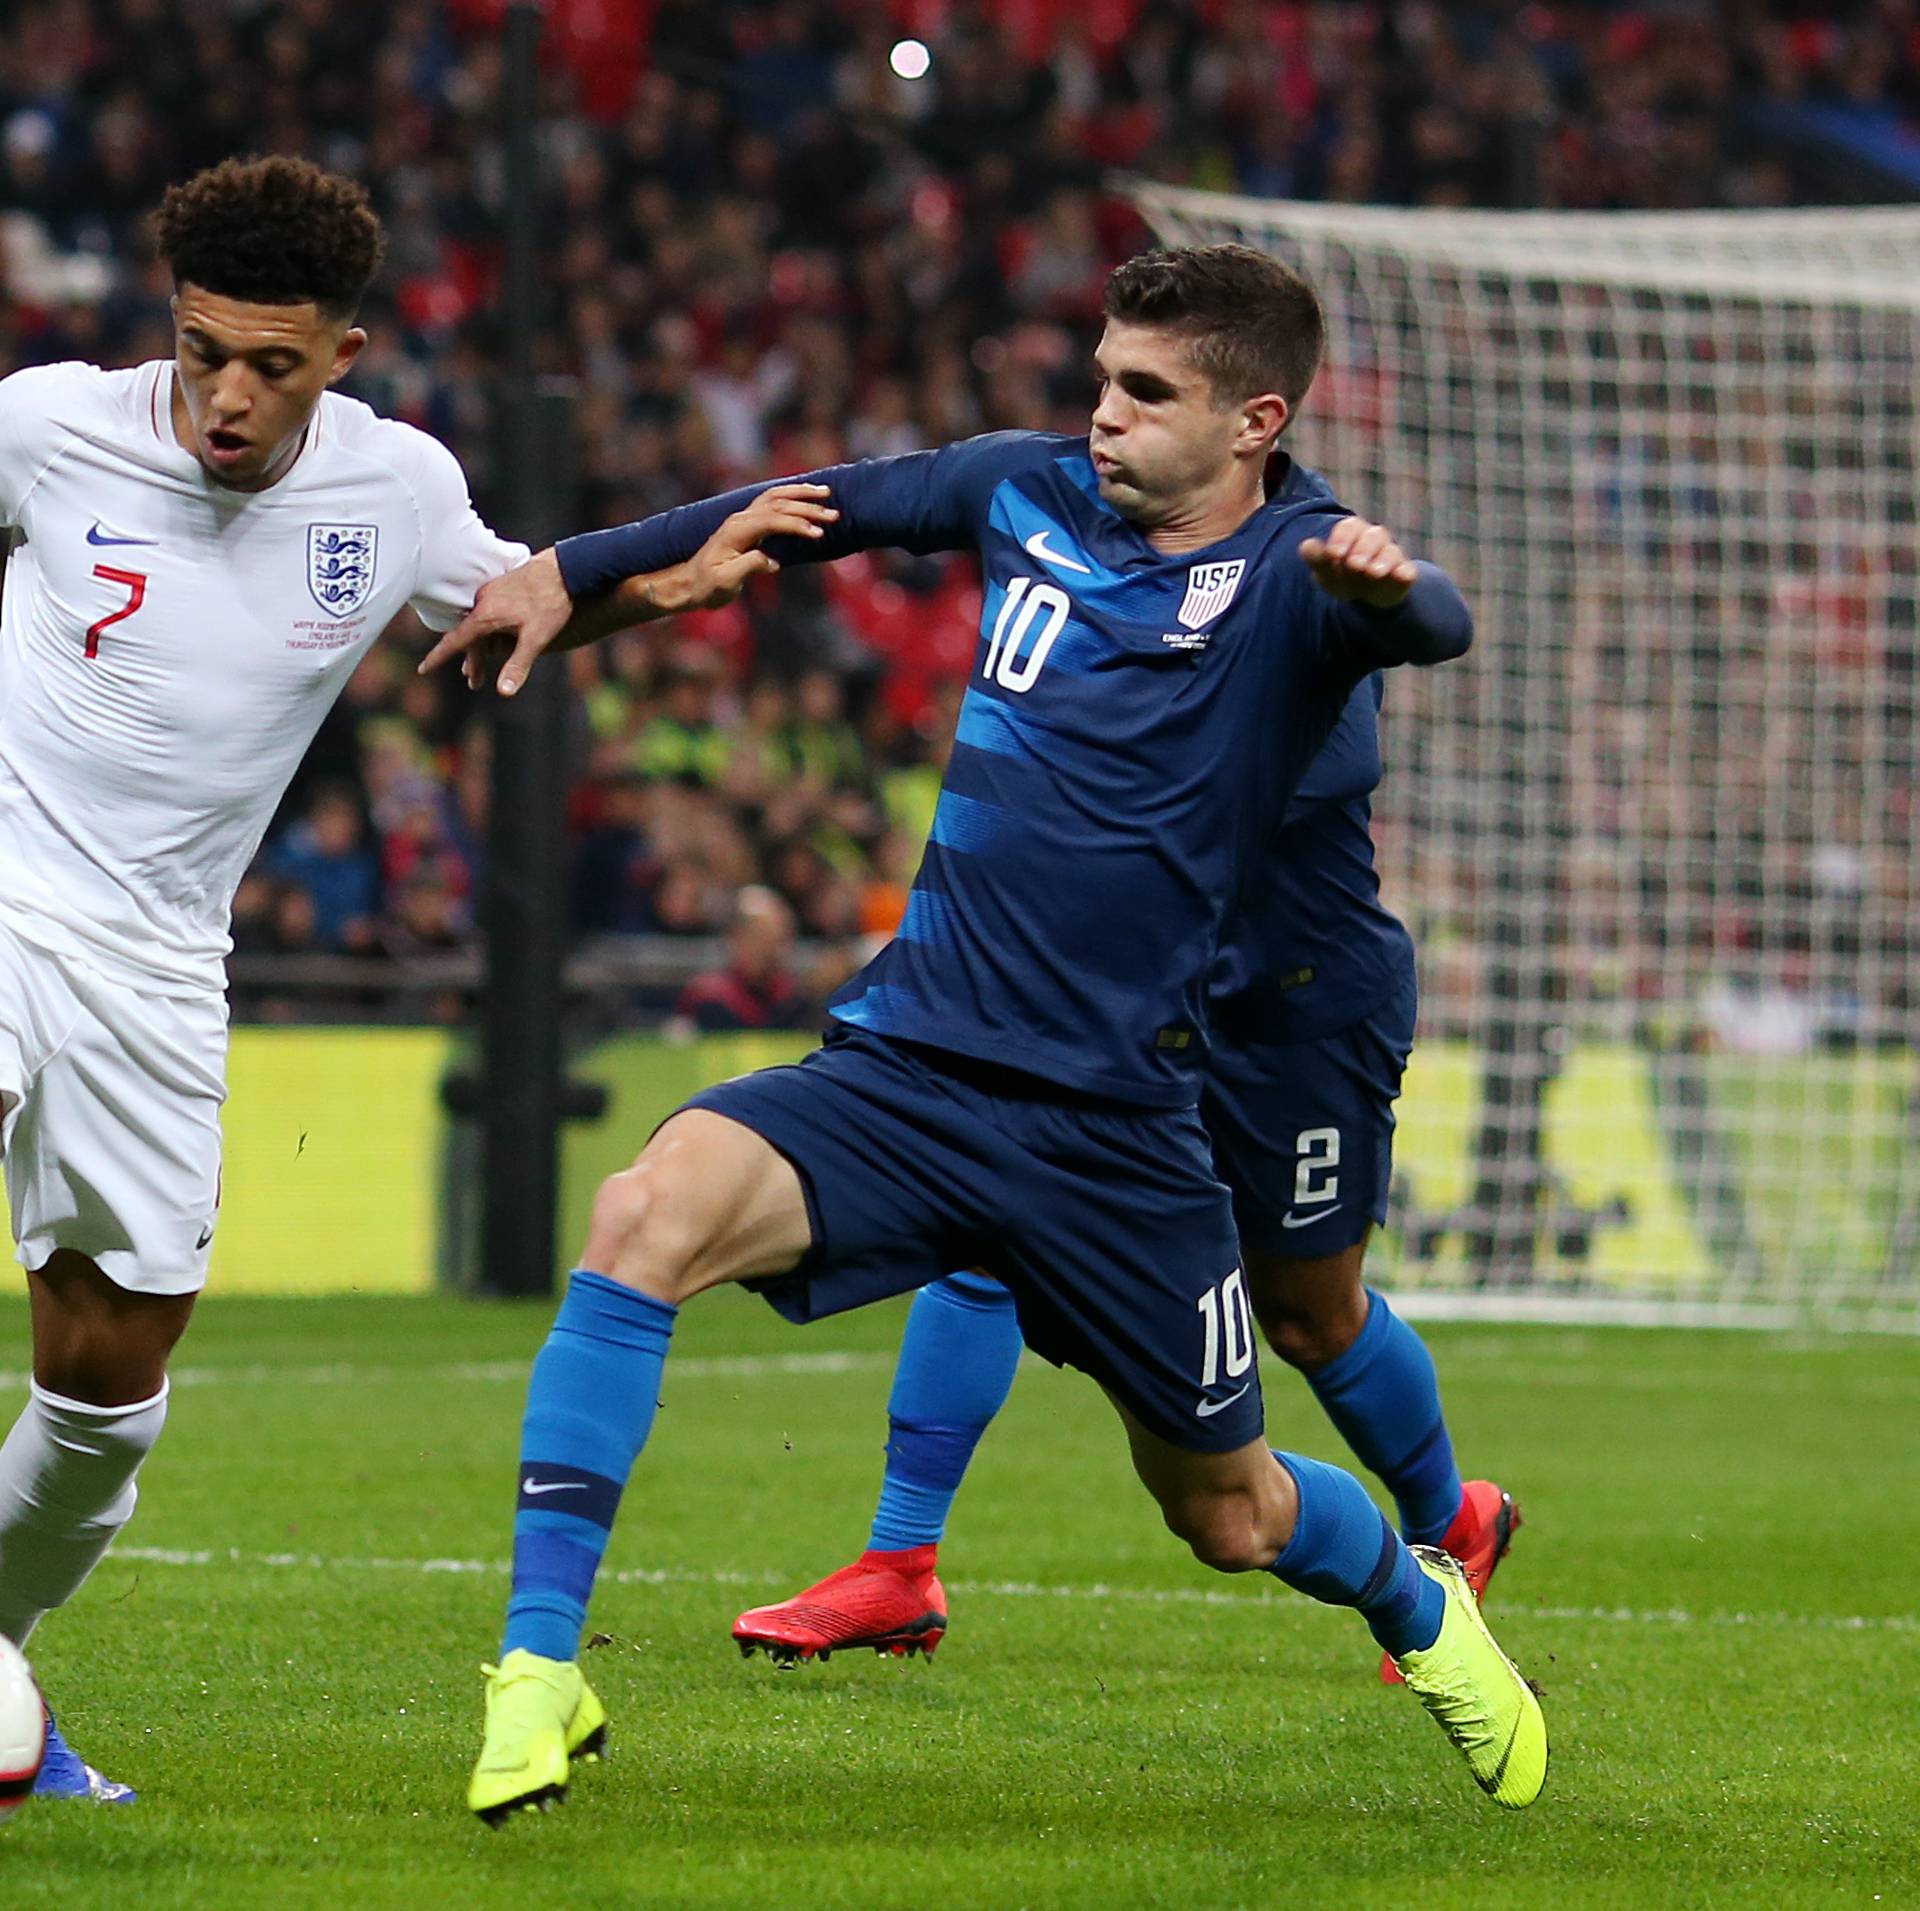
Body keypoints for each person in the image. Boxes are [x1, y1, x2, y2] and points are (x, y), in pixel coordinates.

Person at [433, 244, 1547, 1825]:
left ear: (1255, 420)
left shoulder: (1303, 574)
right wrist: (572, 561)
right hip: (911, 1064)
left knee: (1227, 1509)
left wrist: (1399, 588)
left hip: (1113, 1124)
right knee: (641, 1216)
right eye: (1101, 377)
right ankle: (540, 1668)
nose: (1101, 415)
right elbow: (812, 499)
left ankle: (1423, 1600)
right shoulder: (1022, 489)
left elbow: (1435, 621)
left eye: (1146, 394)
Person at [0, 154, 801, 1801]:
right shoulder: (45, 425)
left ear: (345, 355)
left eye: (274, 365)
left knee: (107, 1399)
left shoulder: (396, 490)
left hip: (159, 968)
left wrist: (667, 585)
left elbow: (513, 605)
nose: (229, 396)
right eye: (205, 350)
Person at [732, 674, 1518, 1687]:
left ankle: (1451, 1523)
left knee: (1308, 1317)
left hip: (1300, 1019)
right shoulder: (1127, 579)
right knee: (989, 1236)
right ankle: (900, 1560)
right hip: (1143, 999)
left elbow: (1336, 760)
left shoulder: (1299, 564)